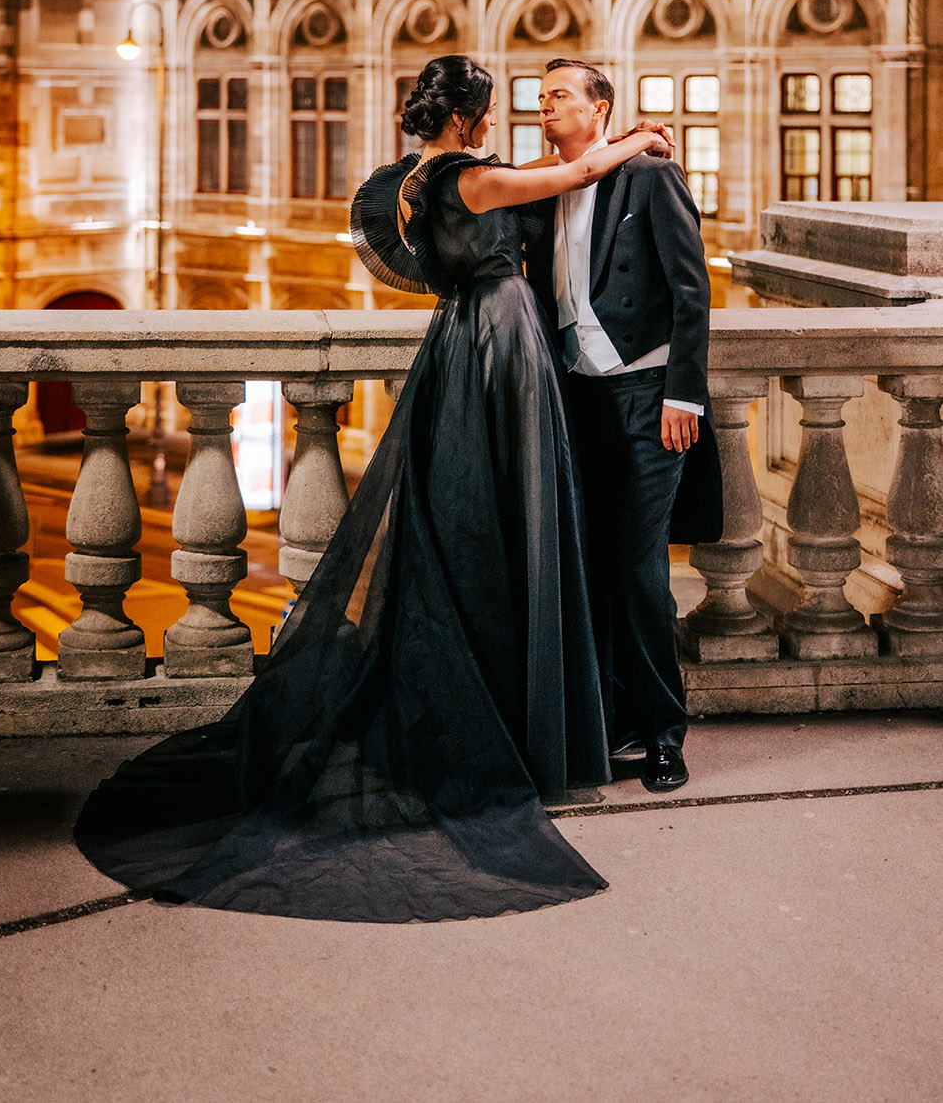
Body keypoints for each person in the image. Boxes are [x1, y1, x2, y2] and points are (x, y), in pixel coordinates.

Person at [75, 55, 671, 923]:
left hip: (458, 341)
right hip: (505, 345)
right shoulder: (473, 178)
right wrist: (638, 139)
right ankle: (522, 733)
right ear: (469, 119)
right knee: (517, 523)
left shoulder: (406, 183)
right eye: (497, 109)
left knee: (463, 524)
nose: (510, 120)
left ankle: (497, 712)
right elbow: (575, 171)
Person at [522, 57, 723, 797]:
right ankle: (614, 724)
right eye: (541, 96)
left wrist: (684, 396)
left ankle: (666, 736)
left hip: (648, 400)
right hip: (578, 402)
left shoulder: (649, 179)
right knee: (593, 570)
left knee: (641, 576)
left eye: (561, 95)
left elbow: (691, 290)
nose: (546, 106)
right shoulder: (547, 188)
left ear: (598, 108)